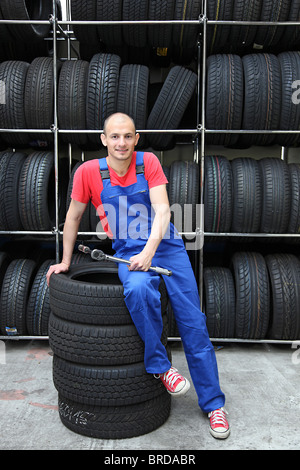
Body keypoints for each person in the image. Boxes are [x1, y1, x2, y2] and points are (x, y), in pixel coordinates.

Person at [46, 112, 230, 439]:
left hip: (167, 247)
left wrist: (149, 251)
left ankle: (214, 404)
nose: (121, 143)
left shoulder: (149, 163)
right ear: (103, 139)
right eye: (114, 137)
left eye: (127, 136)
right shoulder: (88, 172)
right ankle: (162, 368)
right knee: (137, 291)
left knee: (192, 322)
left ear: (137, 138)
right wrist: (64, 260)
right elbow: (72, 218)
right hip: (128, 250)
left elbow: (162, 211)